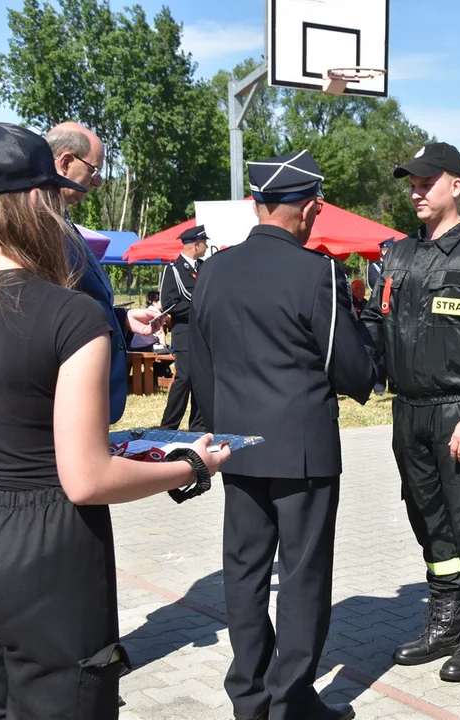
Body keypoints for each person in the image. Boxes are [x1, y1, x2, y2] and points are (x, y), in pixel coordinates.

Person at [0, 121, 228, 720]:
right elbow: (86, 478)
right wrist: (188, 464)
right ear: (34, 201)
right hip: (51, 546)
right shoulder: (71, 316)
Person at [189, 149, 376, 720]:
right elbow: (350, 370)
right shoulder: (317, 271)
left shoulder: (212, 269)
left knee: (244, 574)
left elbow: (199, 362)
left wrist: (209, 437)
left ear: (256, 204)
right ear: (309, 209)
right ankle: (290, 700)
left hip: (235, 447)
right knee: (301, 577)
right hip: (302, 452)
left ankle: (249, 695)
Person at [360, 142, 460, 682]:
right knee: (428, 519)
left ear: (457, 185)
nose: (416, 190)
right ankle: (446, 615)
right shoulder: (396, 254)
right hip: (409, 410)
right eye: (412, 181)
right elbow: (376, 326)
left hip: (457, 412)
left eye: (427, 181)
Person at [45, 122, 162, 424]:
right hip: (62, 403)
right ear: (66, 162)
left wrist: (122, 320)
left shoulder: (58, 219)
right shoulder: (38, 225)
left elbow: (77, 300)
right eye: (94, 171)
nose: (97, 183)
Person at [159, 225, 207, 431]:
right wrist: (197, 309)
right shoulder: (174, 270)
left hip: (202, 335)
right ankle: (169, 425)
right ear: (196, 245)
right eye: (204, 242)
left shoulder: (204, 267)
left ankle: (197, 427)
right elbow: (168, 303)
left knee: (201, 380)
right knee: (184, 377)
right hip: (185, 333)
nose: (206, 246)